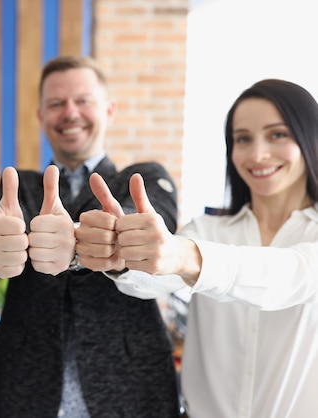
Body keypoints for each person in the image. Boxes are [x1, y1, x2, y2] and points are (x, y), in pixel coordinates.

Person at [77, 78, 318, 417]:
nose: (258, 153)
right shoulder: (207, 229)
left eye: (278, 134)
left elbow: (290, 275)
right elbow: (157, 279)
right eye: (243, 139)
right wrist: (122, 259)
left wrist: (184, 256)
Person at [0, 55, 180, 418]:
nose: (70, 112)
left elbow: (150, 224)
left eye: (83, 101)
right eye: (56, 104)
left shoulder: (144, 180)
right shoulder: (17, 190)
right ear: (41, 117)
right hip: (24, 387)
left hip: (130, 388)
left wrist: (92, 239)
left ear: (109, 109)